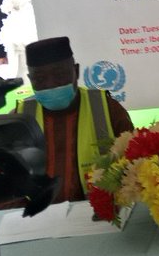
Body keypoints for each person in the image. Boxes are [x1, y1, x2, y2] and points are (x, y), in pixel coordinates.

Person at [15, 36, 134, 204]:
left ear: (76, 71)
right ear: (31, 80)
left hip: (98, 214)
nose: (51, 85)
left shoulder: (106, 108)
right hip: (38, 221)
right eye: (40, 79)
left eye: (60, 75)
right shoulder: (19, 118)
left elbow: (134, 163)